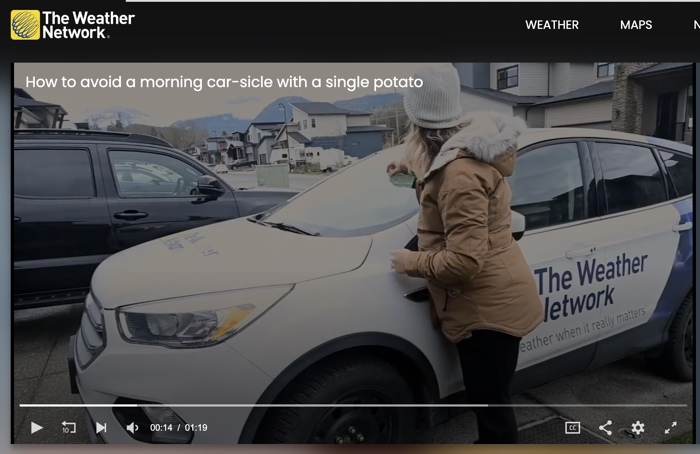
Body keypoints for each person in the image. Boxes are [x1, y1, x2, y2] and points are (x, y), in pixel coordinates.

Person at [388, 64, 544, 444]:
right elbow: (444, 190)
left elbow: (464, 261)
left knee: (491, 406)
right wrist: (411, 173)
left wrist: (410, 263)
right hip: (491, 300)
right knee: (489, 401)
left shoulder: (459, 174)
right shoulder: (464, 151)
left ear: (416, 117)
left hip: (488, 312)